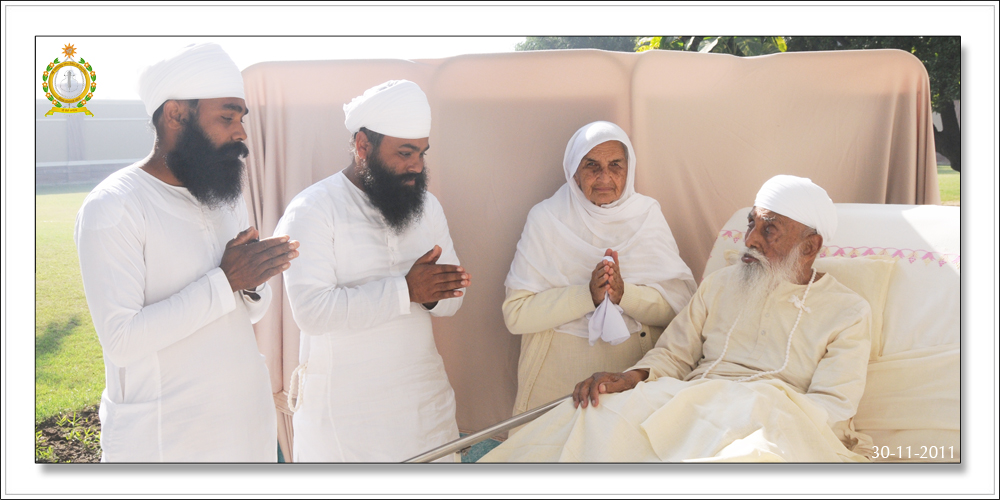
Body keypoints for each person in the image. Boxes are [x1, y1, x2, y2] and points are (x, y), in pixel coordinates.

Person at [482, 175, 874, 462]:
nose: (750, 239)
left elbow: (833, 406)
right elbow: (673, 355)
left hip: (768, 420)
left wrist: (759, 414)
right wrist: (631, 377)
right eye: (751, 223)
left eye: (769, 230)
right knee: (591, 417)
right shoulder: (721, 284)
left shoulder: (848, 312)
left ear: (810, 247)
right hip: (689, 403)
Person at [74, 43, 299, 462]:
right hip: (167, 442)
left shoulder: (223, 195)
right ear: (176, 114)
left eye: (242, 118)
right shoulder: (115, 205)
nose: (241, 133)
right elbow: (122, 341)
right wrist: (226, 281)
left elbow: (246, 313)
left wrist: (252, 282)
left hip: (245, 431)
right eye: (227, 117)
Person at [274, 80, 470, 462]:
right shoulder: (313, 209)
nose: (417, 166)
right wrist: (406, 291)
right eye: (405, 153)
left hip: (424, 406)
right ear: (363, 145)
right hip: (348, 419)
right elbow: (312, 312)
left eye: (422, 153)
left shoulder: (427, 207)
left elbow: (453, 300)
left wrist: (434, 296)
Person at [503, 121, 696, 427]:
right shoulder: (547, 219)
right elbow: (516, 315)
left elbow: (681, 313)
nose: (605, 177)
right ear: (574, 171)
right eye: (591, 165)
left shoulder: (647, 216)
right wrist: (587, 295)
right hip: (554, 381)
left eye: (615, 165)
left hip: (630, 380)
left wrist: (624, 294)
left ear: (629, 169)